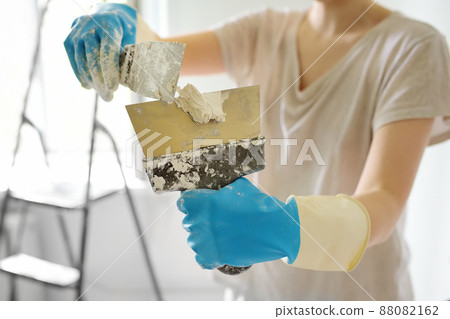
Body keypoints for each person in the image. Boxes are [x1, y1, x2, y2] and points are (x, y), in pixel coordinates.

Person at [64, 1, 450, 300]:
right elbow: (149, 58)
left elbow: (384, 200)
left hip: (358, 296)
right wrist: (114, 23)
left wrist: (291, 228)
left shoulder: (414, 47)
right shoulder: (263, 30)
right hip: (261, 292)